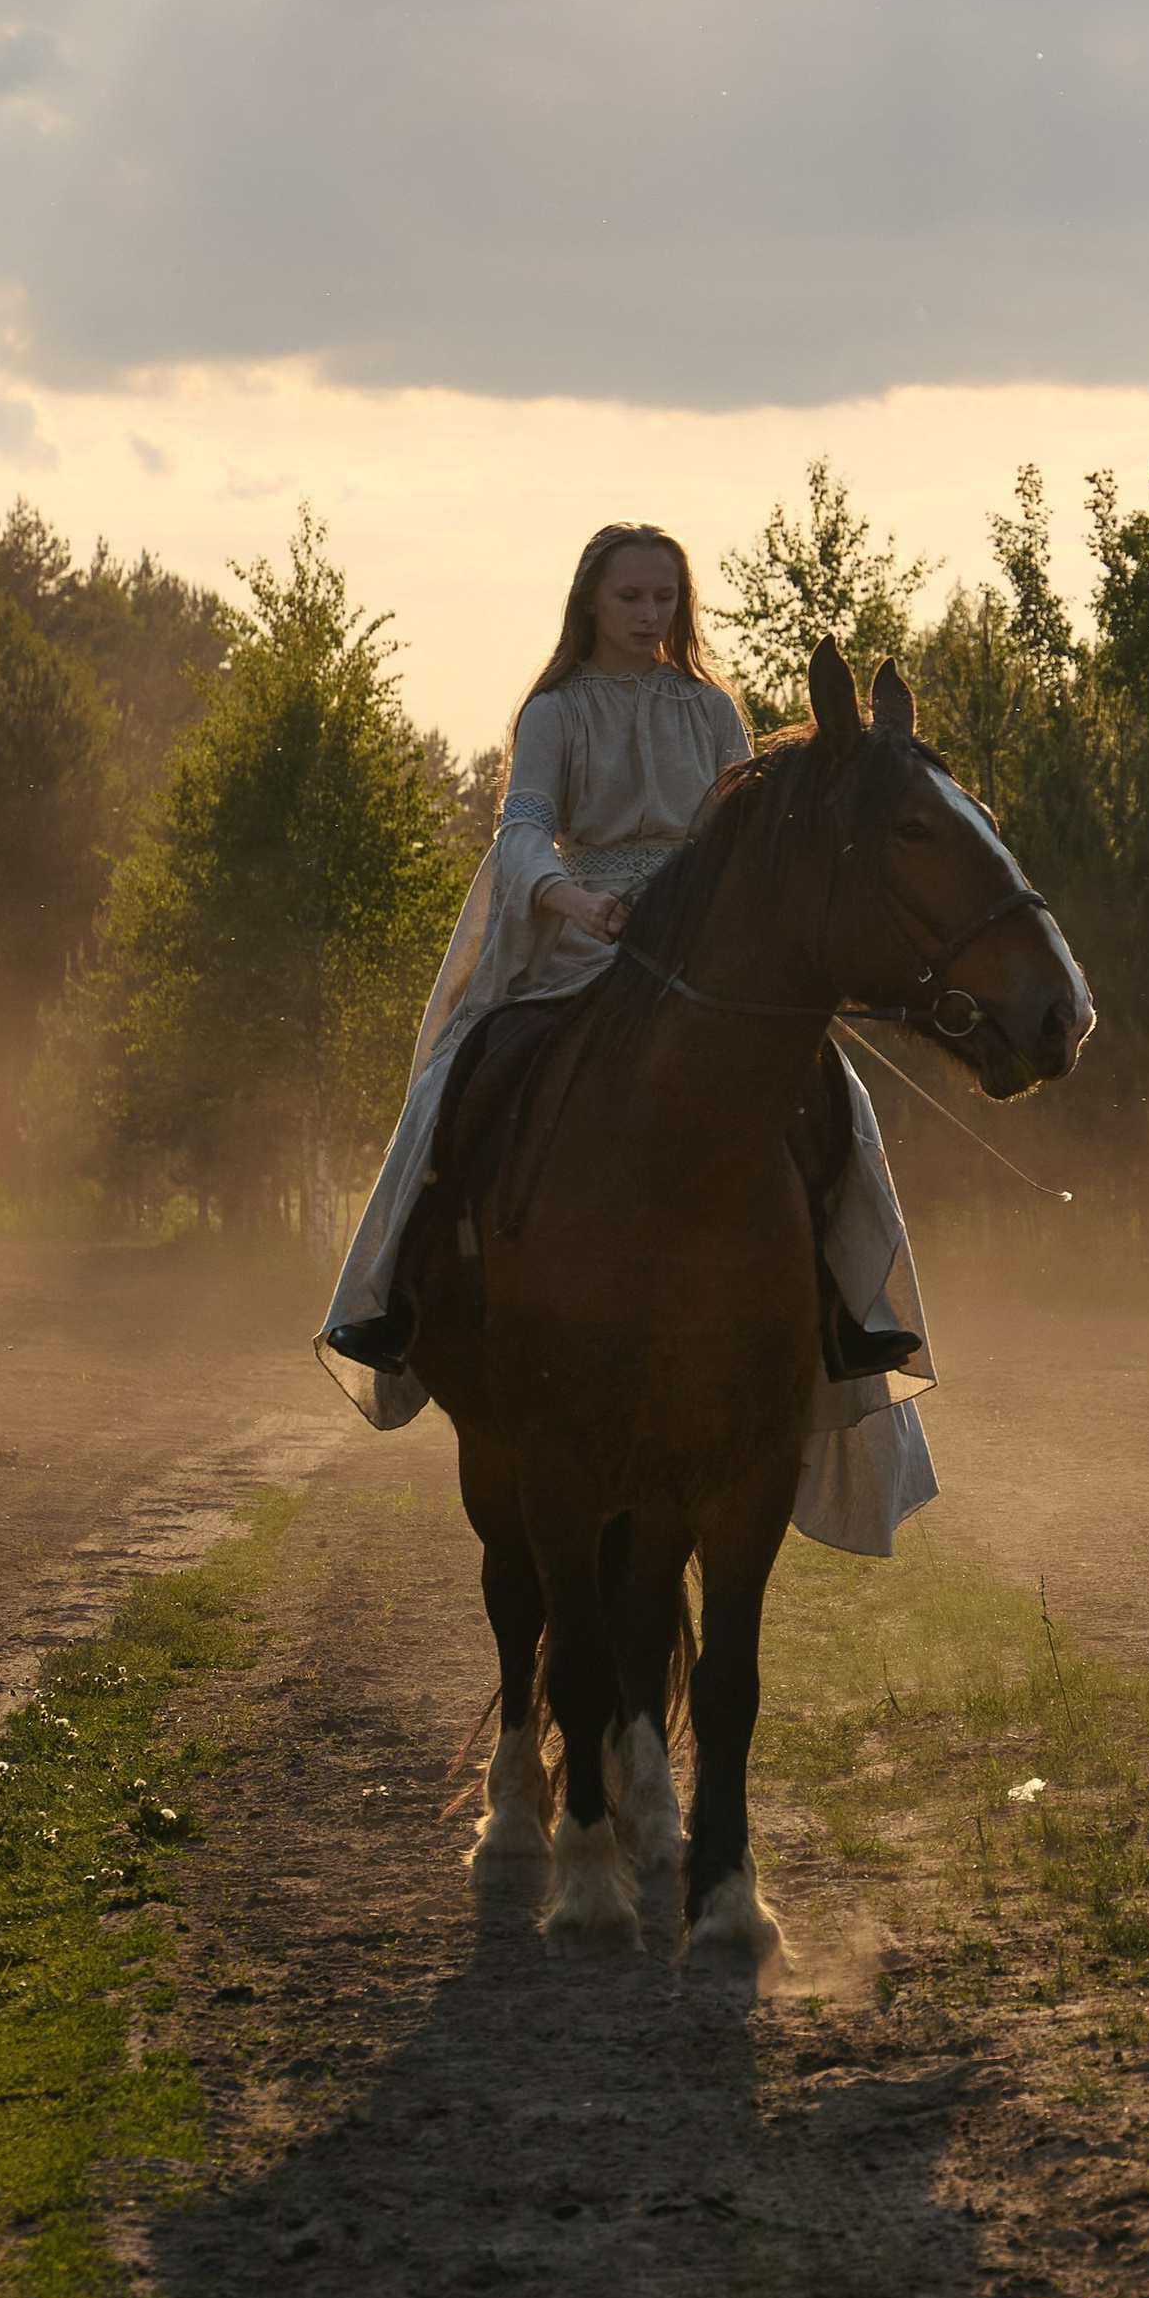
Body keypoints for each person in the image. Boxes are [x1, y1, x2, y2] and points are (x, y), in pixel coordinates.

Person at [317, 521, 938, 1558]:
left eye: (664, 597)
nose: (651, 615)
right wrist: (566, 898)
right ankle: (401, 1289)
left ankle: (842, 1310)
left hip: (699, 941)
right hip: (585, 931)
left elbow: (747, 831)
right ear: (591, 605)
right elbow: (522, 826)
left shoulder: (709, 707)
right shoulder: (555, 712)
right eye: (631, 598)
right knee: (467, 1070)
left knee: (832, 1093)